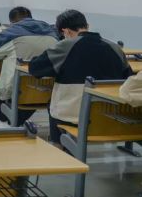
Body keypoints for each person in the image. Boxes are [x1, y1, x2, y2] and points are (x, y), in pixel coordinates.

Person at [29, 10, 132, 147]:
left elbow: (35, 69)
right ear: (87, 26)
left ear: (65, 31)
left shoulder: (66, 46)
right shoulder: (115, 47)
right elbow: (129, 79)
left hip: (73, 116)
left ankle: (58, 145)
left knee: (53, 104)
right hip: (111, 117)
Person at [0, 7, 59, 128]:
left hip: (17, 90)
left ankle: (7, 120)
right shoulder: (53, 35)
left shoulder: (12, 33)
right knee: (31, 93)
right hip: (48, 90)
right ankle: (17, 120)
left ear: (12, 22)